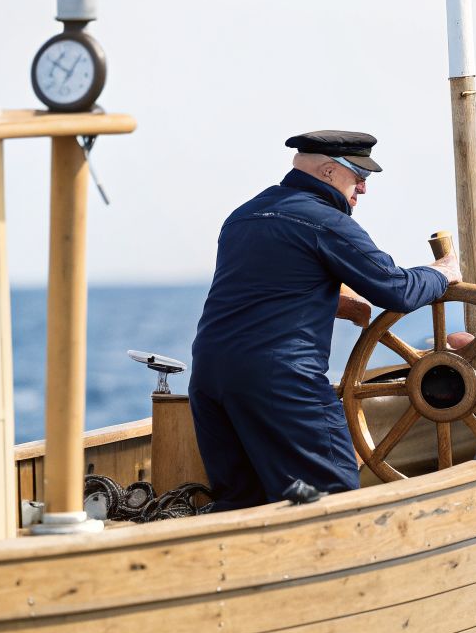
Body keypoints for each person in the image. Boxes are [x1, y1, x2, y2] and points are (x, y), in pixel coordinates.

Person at [188, 130, 460, 510]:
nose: (363, 189)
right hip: (279, 381)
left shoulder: (243, 216)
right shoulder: (325, 221)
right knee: (329, 504)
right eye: (359, 176)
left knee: (241, 506)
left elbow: (271, 287)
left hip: (210, 378)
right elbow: (395, 289)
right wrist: (441, 274)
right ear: (330, 172)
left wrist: (341, 304)